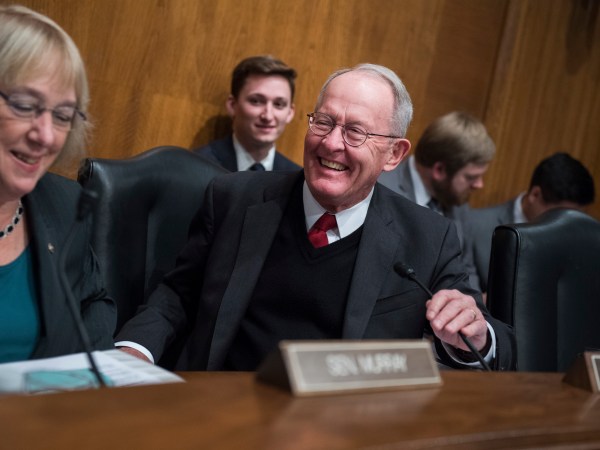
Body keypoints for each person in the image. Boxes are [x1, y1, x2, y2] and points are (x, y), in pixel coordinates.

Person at [117, 64, 514, 371]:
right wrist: (133, 351)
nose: (331, 143)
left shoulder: (429, 237)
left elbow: (500, 343)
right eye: (323, 122)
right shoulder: (235, 198)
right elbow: (177, 295)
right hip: (221, 413)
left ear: (394, 154)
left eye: (356, 132)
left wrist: (476, 334)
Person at [0, 5, 116, 363]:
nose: (47, 136)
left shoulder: (64, 205)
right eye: (24, 105)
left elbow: (94, 304)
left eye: (63, 116)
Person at [378, 111, 496, 289]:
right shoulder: (382, 189)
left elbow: (466, 269)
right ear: (439, 170)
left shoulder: (457, 200)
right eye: (471, 177)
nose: (479, 185)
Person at [467, 152, 595, 294]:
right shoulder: (474, 226)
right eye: (561, 214)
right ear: (535, 195)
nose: (569, 224)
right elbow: (468, 298)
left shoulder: (579, 240)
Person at [193, 55, 300, 171]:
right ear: (232, 105)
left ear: (290, 113)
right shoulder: (197, 165)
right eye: (256, 101)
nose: (268, 116)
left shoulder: (299, 180)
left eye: (279, 104)